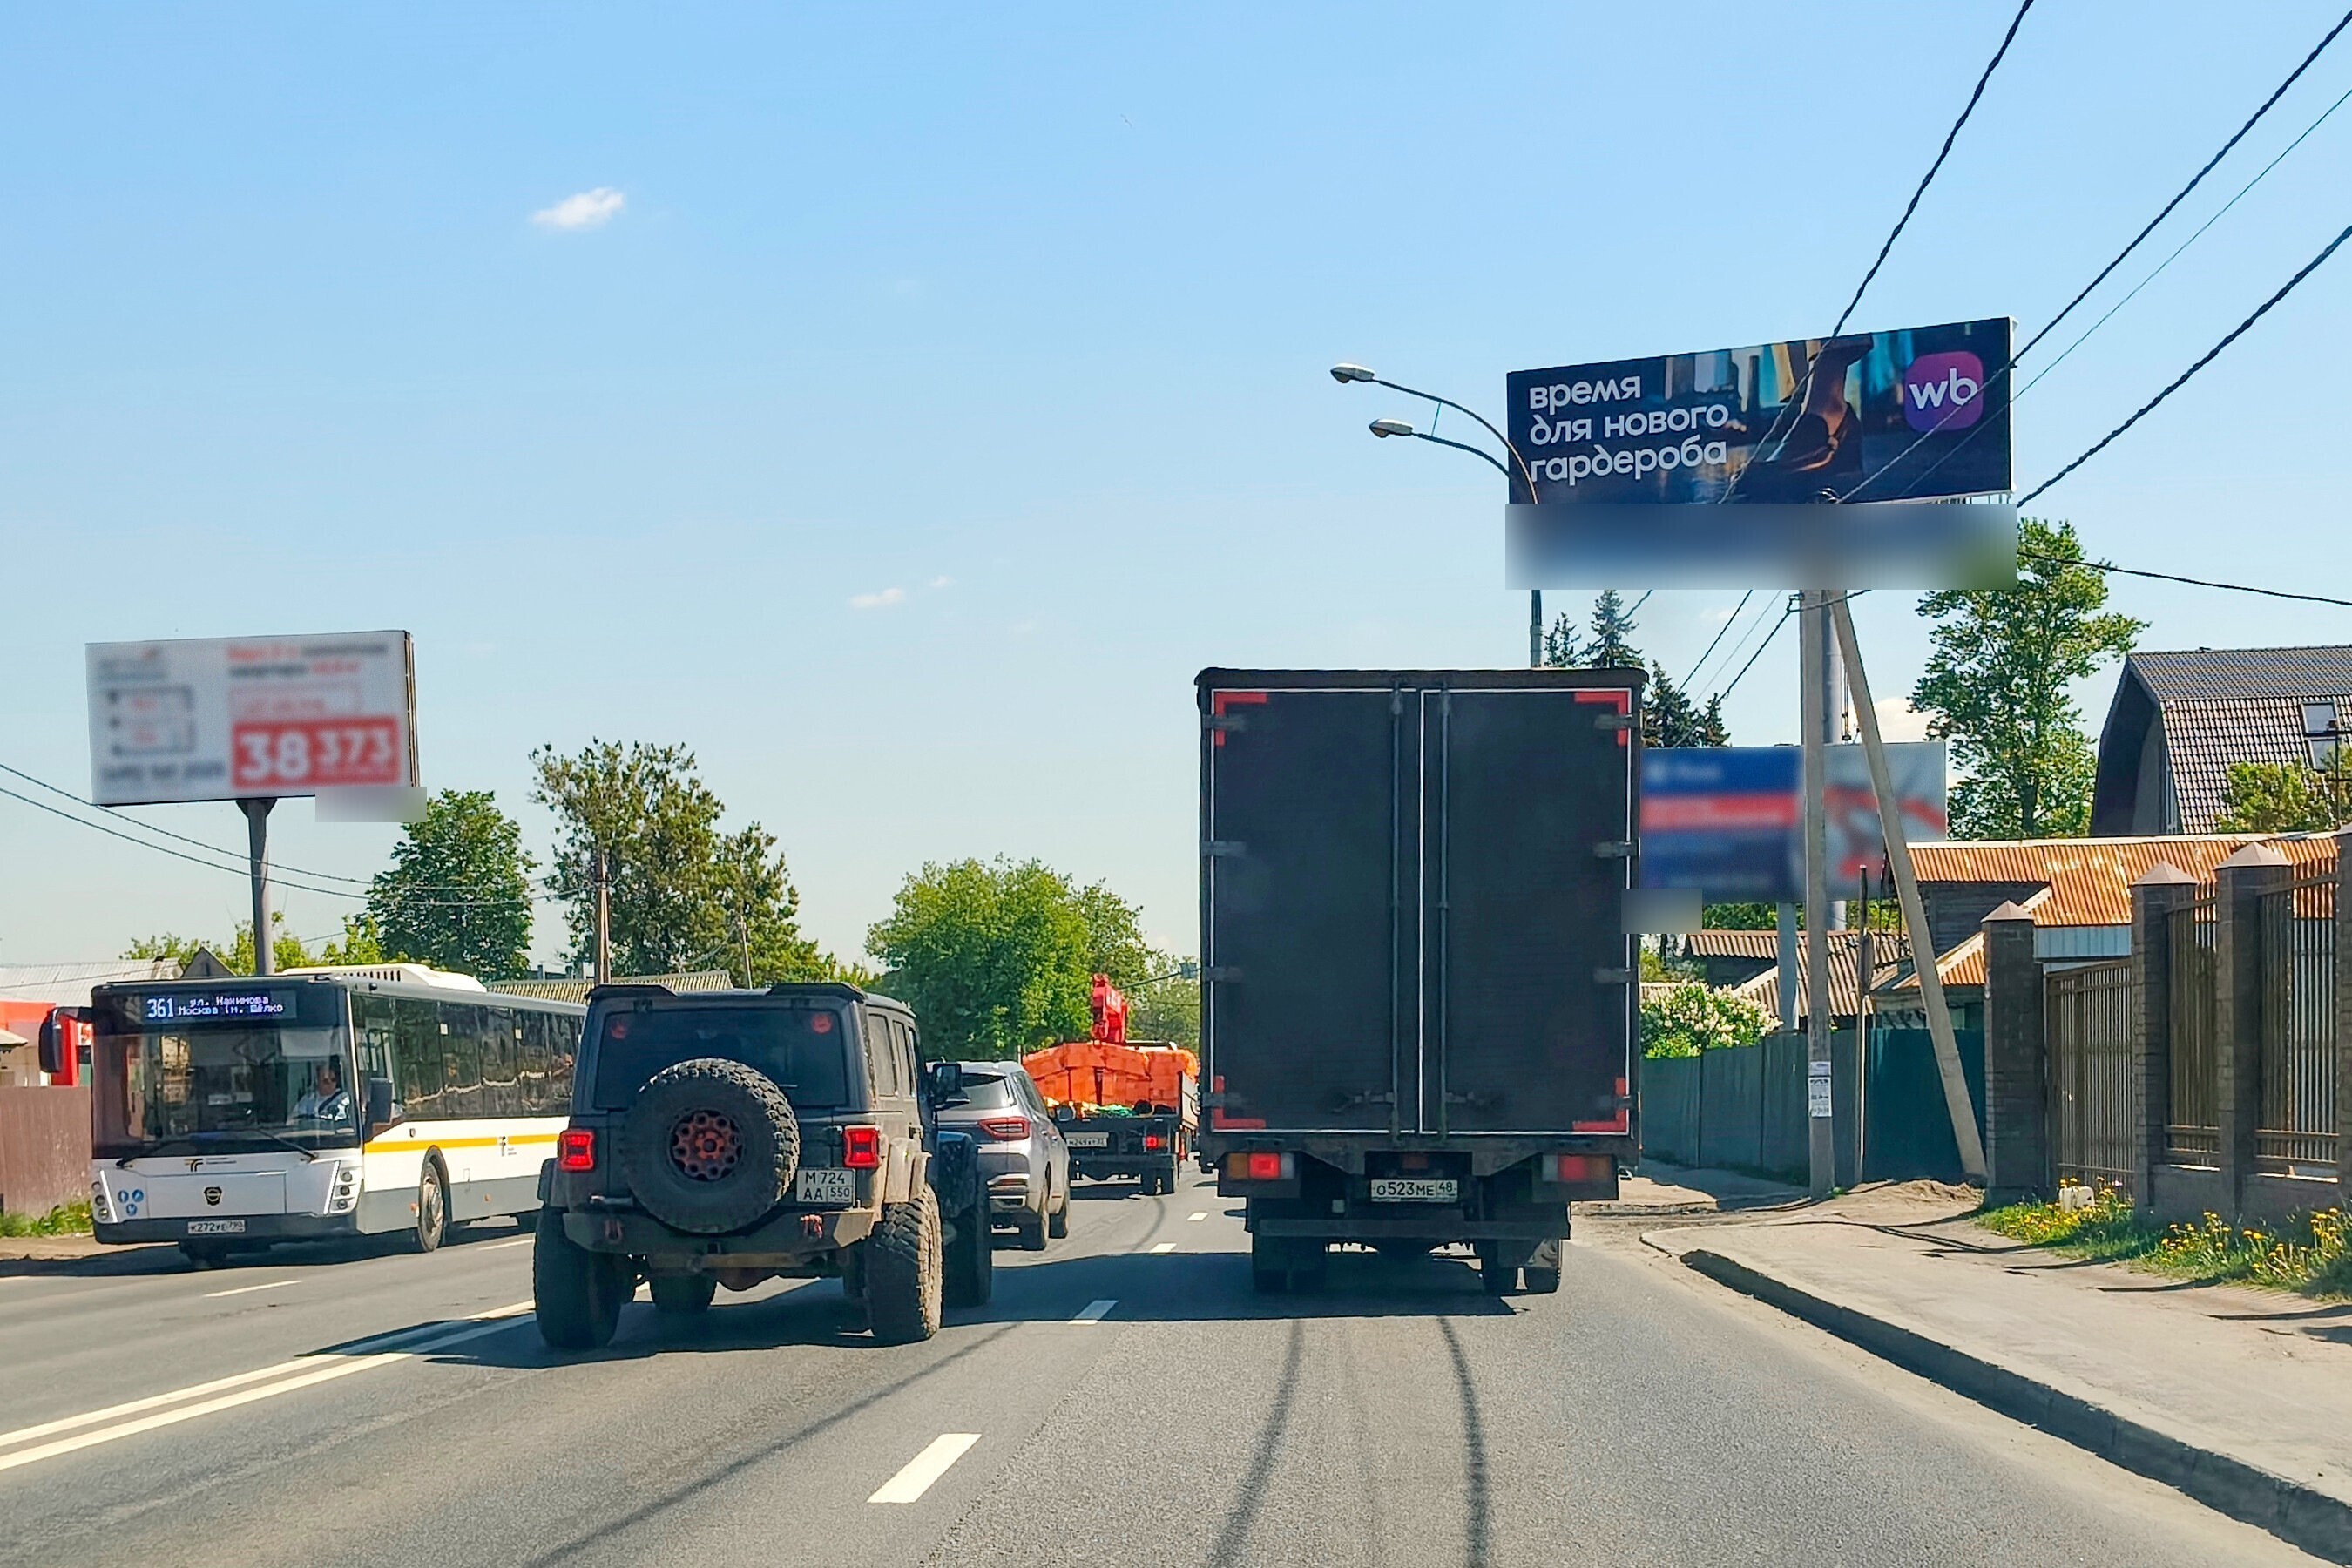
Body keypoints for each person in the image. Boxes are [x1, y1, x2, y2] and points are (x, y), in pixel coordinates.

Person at [294, 1060, 352, 1125]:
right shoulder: (307, 1099)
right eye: (326, 1081)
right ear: (317, 1081)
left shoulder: (343, 1099)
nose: (330, 1084)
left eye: (333, 1080)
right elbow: (295, 1119)